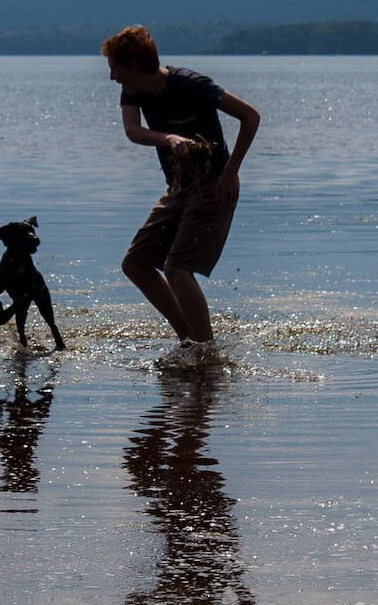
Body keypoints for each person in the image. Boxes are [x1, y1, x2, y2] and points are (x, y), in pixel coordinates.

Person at [102, 25, 260, 362]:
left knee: (176, 269)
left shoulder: (191, 84)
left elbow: (250, 116)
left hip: (214, 182)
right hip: (178, 187)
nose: (112, 76)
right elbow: (133, 131)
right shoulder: (133, 90)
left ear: (131, 64)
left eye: (115, 67)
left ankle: (207, 354)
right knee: (136, 263)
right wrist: (169, 138)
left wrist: (231, 171)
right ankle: (190, 342)